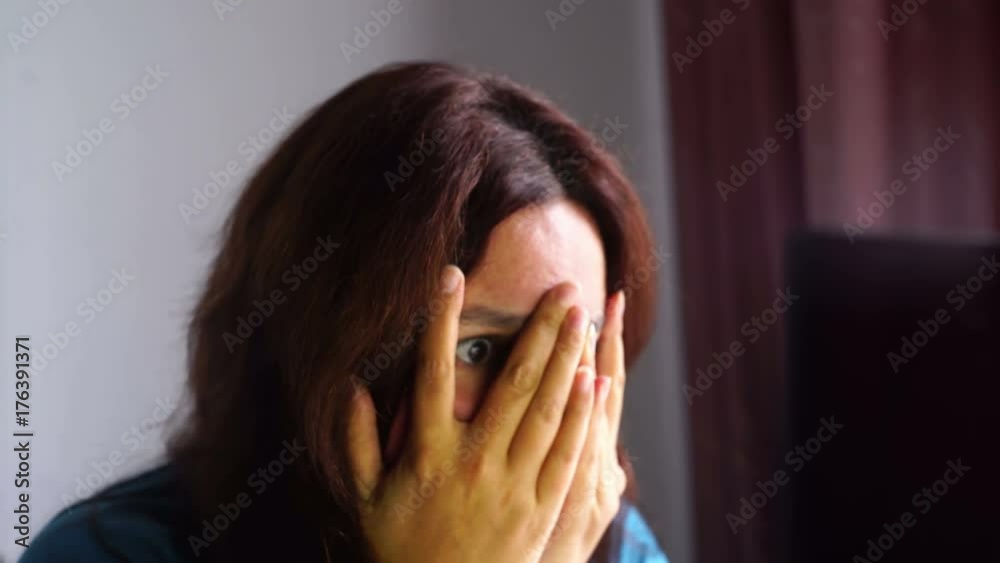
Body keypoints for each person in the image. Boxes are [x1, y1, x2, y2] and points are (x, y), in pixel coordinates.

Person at [22, 61, 669, 563]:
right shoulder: (108, 551)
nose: (541, 407)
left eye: (574, 351)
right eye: (481, 348)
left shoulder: (609, 537)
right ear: (329, 343)